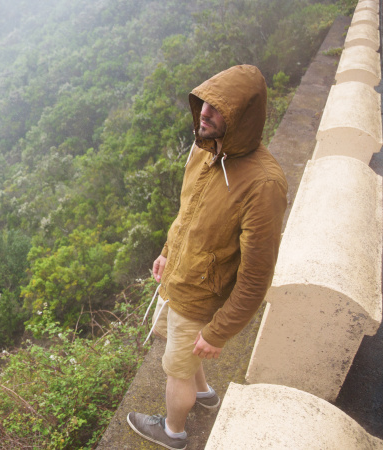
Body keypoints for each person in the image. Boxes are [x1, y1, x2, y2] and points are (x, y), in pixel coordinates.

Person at [127, 64, 288, 450]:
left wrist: (220, 330)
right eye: (204, 104)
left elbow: (256, 275)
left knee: (175, 370)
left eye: (218, 109)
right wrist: (167, 252)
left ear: (242, 117)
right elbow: (187, 214)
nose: (204, 113)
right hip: (180, 281)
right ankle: (205, 396)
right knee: (182, 355)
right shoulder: (205, 152)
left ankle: (173, 433)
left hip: (202, 298)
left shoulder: (263, 184)